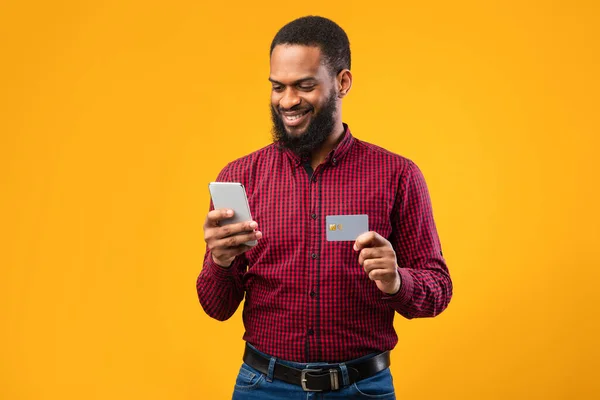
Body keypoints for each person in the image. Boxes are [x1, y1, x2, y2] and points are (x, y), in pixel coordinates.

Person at [197, 15, 452, 399]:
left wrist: (397, 281)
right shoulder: (241, 178)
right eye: (277, 87)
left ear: (342, 82)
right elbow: (216, 307)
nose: (288, 101)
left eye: (304, 86)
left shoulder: (397, 175)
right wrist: (220, 262)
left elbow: (438, 289)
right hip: (262, 387)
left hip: (362, 388)